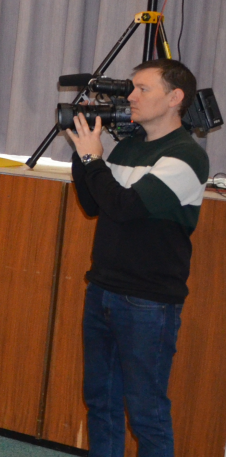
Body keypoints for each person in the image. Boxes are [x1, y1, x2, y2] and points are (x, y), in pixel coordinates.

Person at [64, 58, 208, 457]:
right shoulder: (128, 146)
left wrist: (94, 160)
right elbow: (96, 204)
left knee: (146, 412)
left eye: (143, 89)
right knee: (101, 402)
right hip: (104, 291)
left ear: (175, 98)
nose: (131, 96)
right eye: (131, 88)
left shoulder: (186, 156)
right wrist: (82, 153)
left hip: (148, 302)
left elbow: (126, 207)